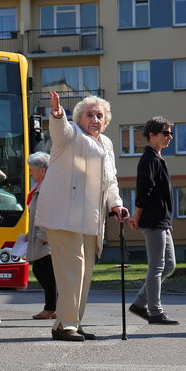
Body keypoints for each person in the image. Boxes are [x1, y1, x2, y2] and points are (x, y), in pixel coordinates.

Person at [34, 92, 127, 342]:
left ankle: (71, 321)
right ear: (78, 118)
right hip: (63, 216)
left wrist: (116, 204)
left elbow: (111, 180)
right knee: (72, 269)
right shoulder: (71, 135)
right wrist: (56, 114)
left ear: (106, 121)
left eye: (100, 115)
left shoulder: (106, 144)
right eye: (89, 115)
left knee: (84, 272)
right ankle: (66, 324)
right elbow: (60, 129)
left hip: (91, 218)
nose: (95, 119)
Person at [127, 117, 180, 326]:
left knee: (169, 265)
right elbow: (144, 190)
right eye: (165, 133)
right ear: (151, 135)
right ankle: (155, 311)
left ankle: (140, 303)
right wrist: (137, 216)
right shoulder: (148, 159)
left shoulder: (157, 158)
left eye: (170, 133)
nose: (170, 137)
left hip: (162, 221)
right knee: (157, 266)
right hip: (153, 221)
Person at [25, 152, 56, 320]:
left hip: (46, 239)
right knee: (44, 272)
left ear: (43, 170)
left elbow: (50, 213)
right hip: (40, 237)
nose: (31, 173)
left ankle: (51, 307)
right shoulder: (40, 187)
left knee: (44, 272)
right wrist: (28, 234)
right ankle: (54, 306)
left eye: (32, 170)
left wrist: (43, 235)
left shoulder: (48, 188)